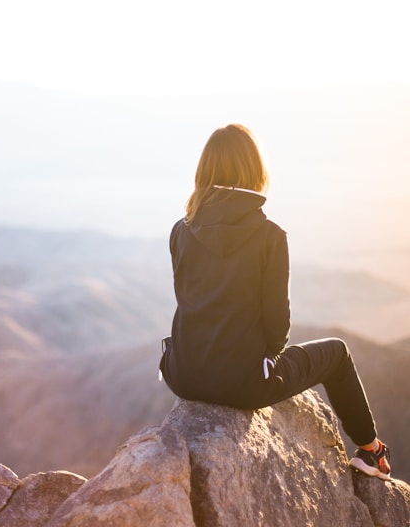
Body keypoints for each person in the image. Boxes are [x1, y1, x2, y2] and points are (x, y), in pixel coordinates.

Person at [159, 123, 391, 480]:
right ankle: (370, 450)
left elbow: (189, 300)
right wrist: (263, 361)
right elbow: (277, 329)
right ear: (255, 170)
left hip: (182, 374)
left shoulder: (181, 228)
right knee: (338, 354)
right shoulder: (269, 236)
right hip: (243, 384)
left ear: (204, 171)